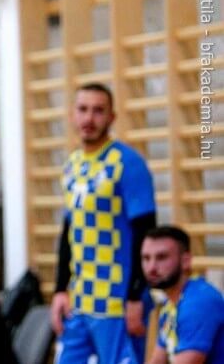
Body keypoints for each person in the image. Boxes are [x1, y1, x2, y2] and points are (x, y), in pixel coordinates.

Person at [51, 83, 157, 364]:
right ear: (72, 115)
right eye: (83, 109)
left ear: (112, 117)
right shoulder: (72, 164)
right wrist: (60, 289)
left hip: (117, 301)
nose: (89, 118)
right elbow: (69, 231)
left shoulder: (127, 163)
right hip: (80, 299)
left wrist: (135, 296)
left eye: (98, 111)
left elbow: (146, 234)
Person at [142, 226, 224, 364]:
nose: (151, 267)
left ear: (185, 261)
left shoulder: (199, 303)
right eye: (146, 258)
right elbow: (157, 360)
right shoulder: (171, 304)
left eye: (162, 257)